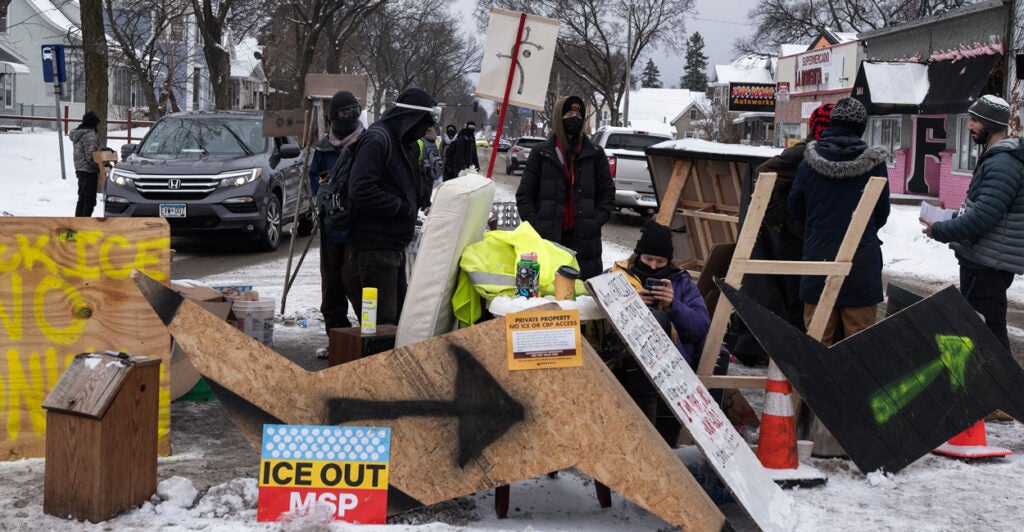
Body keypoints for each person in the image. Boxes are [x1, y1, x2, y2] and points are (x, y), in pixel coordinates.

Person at [729, 103, 834, 364]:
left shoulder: (821, 155)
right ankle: (790, 356)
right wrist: (783, 218)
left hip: (804, 234)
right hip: (793, 236)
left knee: (801, 295)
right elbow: (763, 172)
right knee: (794, 296)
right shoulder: (801, 154)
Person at [922, 95, 1024, 350]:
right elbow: (980, 209)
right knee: (982, 331)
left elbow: (983, 218)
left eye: (976, 121)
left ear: (991, 124)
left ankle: (1004, 389)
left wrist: (941, 230)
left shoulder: (1002, 163)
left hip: (986, 266)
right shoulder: (995, 158)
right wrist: (951, 215)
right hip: (983, 261)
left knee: (988, 336)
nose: (969, 126)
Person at [789, 96, 890, 345]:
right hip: (861, 264)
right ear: (861, 127)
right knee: (859, 348)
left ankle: (814, 387)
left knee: (817, 343)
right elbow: (881, 213)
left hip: (817, 261)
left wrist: (816, 231)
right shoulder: (875, 165)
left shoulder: (808, 164)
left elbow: (795, 208)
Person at [606, 220, 711, 443]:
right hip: (625, 363)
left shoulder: (682, 282)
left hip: (670, 366)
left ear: (669, 261)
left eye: (660, 261)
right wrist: (629, 303)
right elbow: (595, 305)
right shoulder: (614, 275)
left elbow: (702, 327)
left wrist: (674, 305)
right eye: (648, 259)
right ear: (638, 256)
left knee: (660, 317)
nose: (653, 266)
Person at [347, 87, 437, 326]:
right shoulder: (378, 140)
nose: (422, 134)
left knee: (395, 320)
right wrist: (401, 208)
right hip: (374, 246)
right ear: (410, 119)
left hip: (392, 246)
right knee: (381, 323)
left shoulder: (401, 142)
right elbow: (360, 189)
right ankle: (375, 362)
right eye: (421, 126)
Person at [515, 95, 615, 280]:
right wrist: (537, 225)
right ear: (558, 118)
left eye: (578, 114)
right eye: (569, 113)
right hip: (548, 239)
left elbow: (607, 195)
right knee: (549, 294)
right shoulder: (541, 153)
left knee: (582, 298)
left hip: (585, 242)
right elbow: (524, 195)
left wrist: (594, 221)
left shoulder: (595, 154)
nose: (574, 117)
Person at [310, 90, 364, 332]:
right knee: (331, 286)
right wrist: (323, 191)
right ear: (334, 116)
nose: (350, 116)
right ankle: (337, 339)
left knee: (355, 282)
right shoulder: (323, 148)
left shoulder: (367, 142)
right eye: (345, 112)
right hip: (331, 227)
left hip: (357, 227)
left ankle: (369, 337)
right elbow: (313, 179)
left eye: (354, 111)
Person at [70, 111, 101, 217]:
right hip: (89, 171)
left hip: (80, 169)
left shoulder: (78, 134)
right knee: (90, 201)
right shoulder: (90, 135)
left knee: (82, 198)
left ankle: (78, 223)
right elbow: (91, 156)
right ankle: (84, 224)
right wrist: (101, 166)